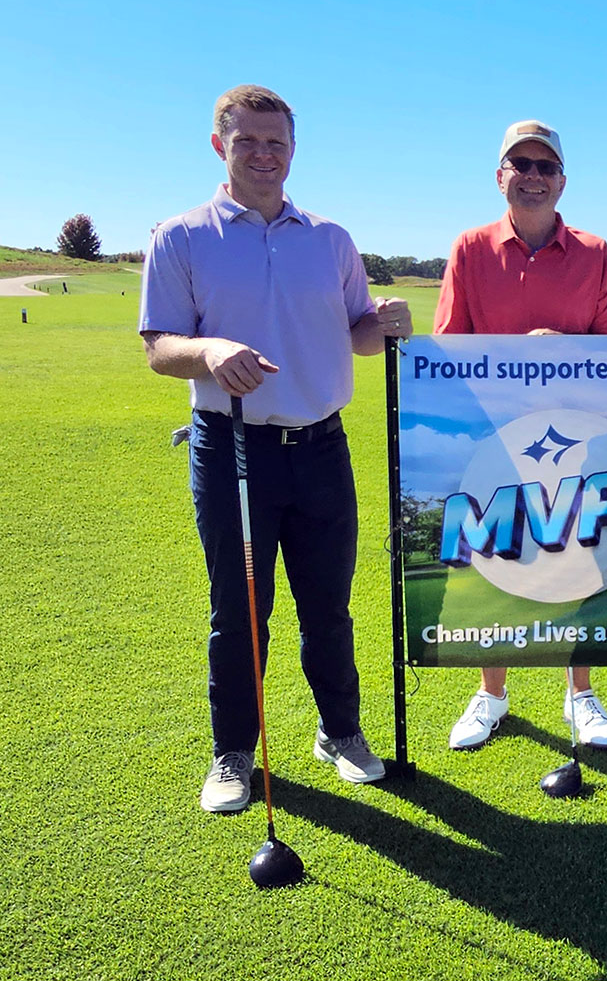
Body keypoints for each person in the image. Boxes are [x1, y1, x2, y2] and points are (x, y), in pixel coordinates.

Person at [140, 85, 413, 813]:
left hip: (322, 448)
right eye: (247, 142)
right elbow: (160, 347)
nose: (264, 155)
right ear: (219, 146)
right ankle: (233, 751)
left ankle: (340, 732)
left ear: (293, 149)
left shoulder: (330, 239)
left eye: (276, 143)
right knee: (240, 610)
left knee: (329, 606)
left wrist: (385, 323)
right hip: (231, 448)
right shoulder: (181, 236)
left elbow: (357, 333)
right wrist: (208, 351)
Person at [435, 119, 607, 751]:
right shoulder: (470, 248)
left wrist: (564, 348)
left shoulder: (595, 253)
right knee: (497, 565)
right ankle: (492, 693)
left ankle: (581, 693)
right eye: (521, 164)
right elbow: (447, 349)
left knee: (581, 563)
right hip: (495, 438)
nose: (533, 177)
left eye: (546, 167)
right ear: (501, 177)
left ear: (562, 181)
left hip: (579, 438)